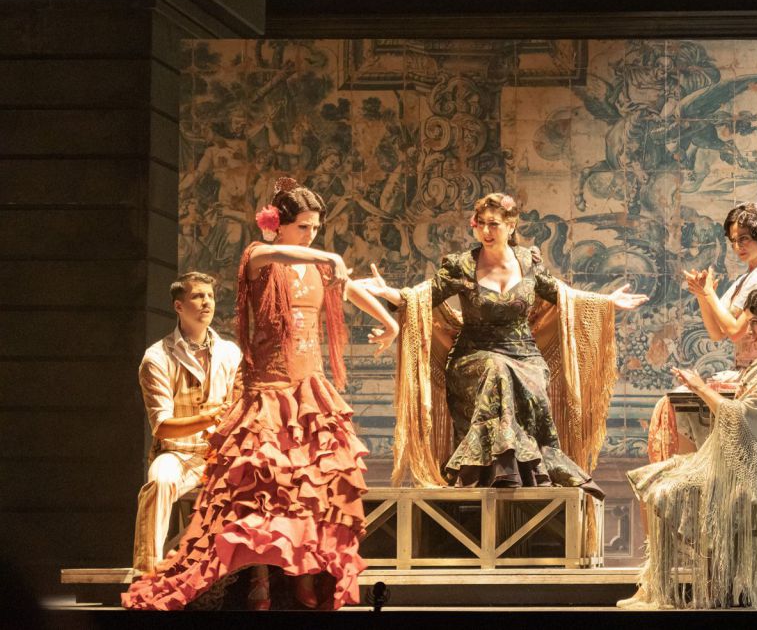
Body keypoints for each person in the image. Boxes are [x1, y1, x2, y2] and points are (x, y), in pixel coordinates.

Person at [124, 178, 400, 611]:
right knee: (262, 489)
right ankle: (259, 576)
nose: (311, 235)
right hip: (269, 390)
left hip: (309, 391)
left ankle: (305, 572)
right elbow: (287, 255)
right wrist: (328, 255)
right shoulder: (259, 255)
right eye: (303, 226)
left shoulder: (316, 265)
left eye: (316, 228)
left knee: (311, 489)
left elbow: (348, 288)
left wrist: (390, 322)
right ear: (279, 225)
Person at [358, 192, 647, 494]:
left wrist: (606, 302)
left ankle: (530, 470)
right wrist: (388, 292)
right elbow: (423, 296)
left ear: (511, 225)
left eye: (493, 224)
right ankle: (496, 470)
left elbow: (562, 295)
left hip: (525, 357)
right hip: (474, 357)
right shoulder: (462, 265)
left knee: (516, 377)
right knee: (497, 370)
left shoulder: (528, 261)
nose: (485, 231)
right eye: (480, 223)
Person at [620, 285, 757, 609]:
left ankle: (708, 585)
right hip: (747, 461)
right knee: (656, 481)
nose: (749, 330)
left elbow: (744, 417)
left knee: (668, 491)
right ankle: (663, 585)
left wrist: (700, 387)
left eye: (756, 322)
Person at [647, 202, 757, 461]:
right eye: (733, 241)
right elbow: (716, 332)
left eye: (744, 238)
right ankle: (688, 476)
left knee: (678, 405)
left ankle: (691, 475)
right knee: (675, 404)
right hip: (743, 370)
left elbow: (735, 332)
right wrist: (703, 294)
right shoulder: (747, 278)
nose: (737, 246)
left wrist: (709, 293)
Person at [131, 272, 242, 575]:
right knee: (159, 482)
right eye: (197, 296)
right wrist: (209, 417)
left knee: (261, 480)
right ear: (178, 306)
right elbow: (162, 426)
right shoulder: (157, 357)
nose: (207, 302)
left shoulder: (230, 352)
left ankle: (253, 575)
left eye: (210, 296)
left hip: (221, 454)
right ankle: (147, 572)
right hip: (179, 453)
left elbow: (241, 404)